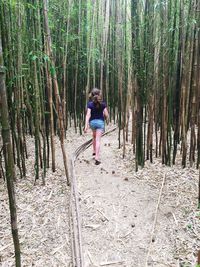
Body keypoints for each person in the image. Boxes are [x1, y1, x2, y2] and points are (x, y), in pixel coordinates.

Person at [84, 88, 109, 165]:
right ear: (99, 94)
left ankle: (94, 151)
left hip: (92, 123)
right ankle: (97, 157)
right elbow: (107, 114)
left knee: (94, 137)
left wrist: (86, 125)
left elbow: (88, 115)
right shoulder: (103, 104)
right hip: (100, 123)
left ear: (92, 95)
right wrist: (106, 118)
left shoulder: (90, 104)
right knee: (98, 139)